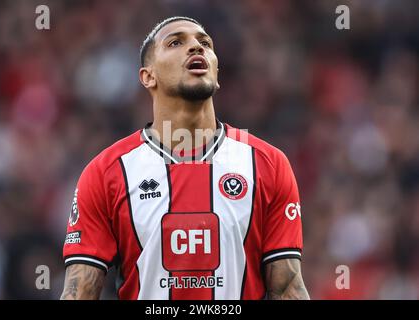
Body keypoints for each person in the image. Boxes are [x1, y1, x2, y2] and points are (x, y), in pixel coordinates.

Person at [61, 16, 309, 300]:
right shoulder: (107, 172)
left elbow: (288, 287)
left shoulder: (268, 164)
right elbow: (80, 292)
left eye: (205, 43)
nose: (196, 47)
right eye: (176, 42)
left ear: (217, 72)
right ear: (148, 76)